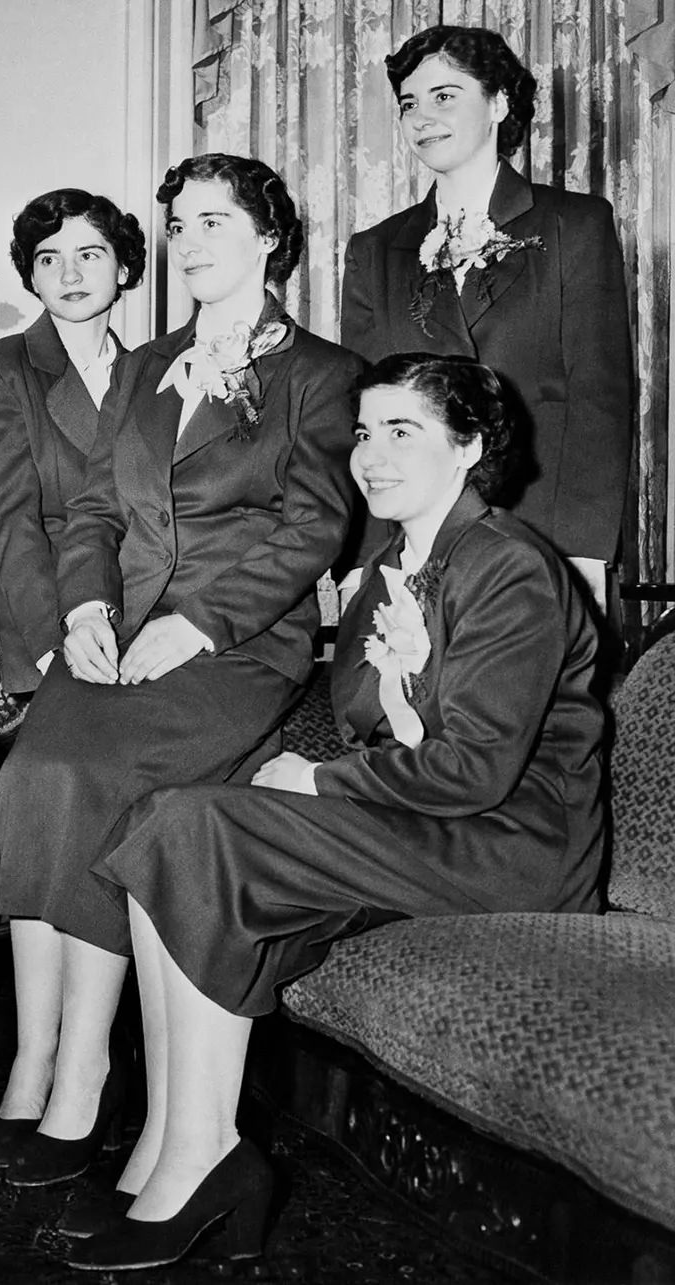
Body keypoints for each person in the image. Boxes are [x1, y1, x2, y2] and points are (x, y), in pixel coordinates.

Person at [67, 353, 605, 1271]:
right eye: (364, 433)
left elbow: (476, 769)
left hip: (515, 845)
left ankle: (202, 1156)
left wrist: (316, 782)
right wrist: (387, 698)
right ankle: (172, 1136)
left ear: (470, 446)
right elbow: (366, 723)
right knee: (169, 817)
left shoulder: (511, 567)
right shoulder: (388, 565)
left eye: (405, 432)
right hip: (434, 822)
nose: (372, 456)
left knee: (202, 827)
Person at [0, 153, 363, 1184]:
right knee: (32, 774)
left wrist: (194, 624)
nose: (191, 245)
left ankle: (80, 1081)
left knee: (99, 779)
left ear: (269, 238)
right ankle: (57, 1058)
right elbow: (97, 511)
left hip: (235, 643)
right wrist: (86, 604)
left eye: (212, 223)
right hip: (119, 627)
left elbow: (313, 525)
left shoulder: (321, 373)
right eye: (180, 227)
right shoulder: (147, 365)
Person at [339, 24, 632, 593]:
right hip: (417, 545)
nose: (421, 118)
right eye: (408, 104)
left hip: (544, 537)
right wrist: (364, 560)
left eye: (444, 96)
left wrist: (583, 551)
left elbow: (599, 398)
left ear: (499, 103)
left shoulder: (574, 224)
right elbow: (363, 421)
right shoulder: (374, 250)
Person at [0, 188, 146, 696]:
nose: (69, 275)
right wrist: (53, 644)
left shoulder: (156, 374)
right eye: (49, 259)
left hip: (154, 608)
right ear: (32, 278)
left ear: (123, 269)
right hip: (54, 617)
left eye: (89, 254)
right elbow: (11, 520)